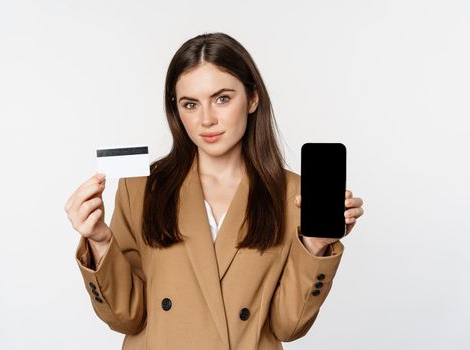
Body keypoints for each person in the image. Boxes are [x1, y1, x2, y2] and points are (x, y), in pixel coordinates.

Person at [64, 32, 364, 350]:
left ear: (252, 98)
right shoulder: (142, 187)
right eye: (191, 104)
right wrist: (99, 241)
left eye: (222, 98)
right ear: (176, 110)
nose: (207, 119)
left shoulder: (293, 194)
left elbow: (288, 326)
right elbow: (126, 317)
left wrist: (315, 246)